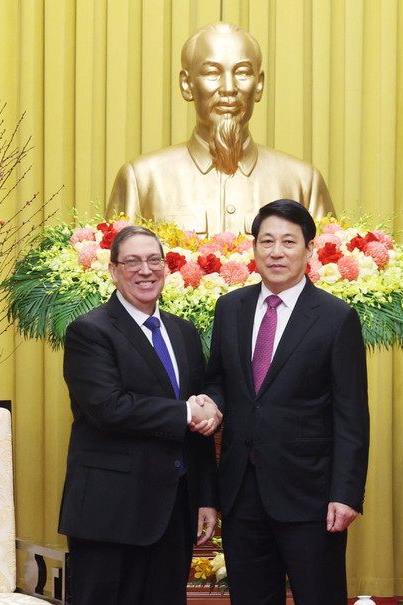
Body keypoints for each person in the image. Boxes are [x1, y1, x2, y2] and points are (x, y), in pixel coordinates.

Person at [204, 199, 369, 604]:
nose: (276, 252)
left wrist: (345, 493)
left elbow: (351, 415)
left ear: (309, 250)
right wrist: (209, 403)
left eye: (289, 242)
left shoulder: (335, 317)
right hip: (242, 491)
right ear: (254, 248)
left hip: (310, 495)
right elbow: (220, 381)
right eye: (267, 241)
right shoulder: (231, 308)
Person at [58, 225, 222, 605]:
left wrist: (205, 497)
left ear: (167, 268)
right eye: (131, 261)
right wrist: (186, 411)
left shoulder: (183, 333)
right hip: (110, 513)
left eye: (153, 260)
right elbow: (108, 408)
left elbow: (195, 422)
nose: (144, 270)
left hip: (172, 511)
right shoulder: (90, 331)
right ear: (113, 271)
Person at [106, 22, 335, 235]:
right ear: (187, 84)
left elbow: (324, 269)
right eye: (212, 72)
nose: (228, 88)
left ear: (259, 85)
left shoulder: (303, 182)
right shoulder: (142, 179)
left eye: (242, 72)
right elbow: (114, 269)